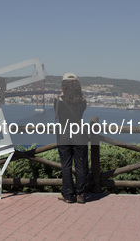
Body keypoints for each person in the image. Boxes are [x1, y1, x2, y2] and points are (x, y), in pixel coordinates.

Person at [54, 72, 89, 204]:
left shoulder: (58, 101)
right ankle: (80, 194)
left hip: (64, 136)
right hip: (79, 136)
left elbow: (57, 113)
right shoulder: (82, 101)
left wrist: (62, 95)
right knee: (81, 166)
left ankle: (68, 195)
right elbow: (80, 111)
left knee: (66, 166)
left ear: (63, 85)